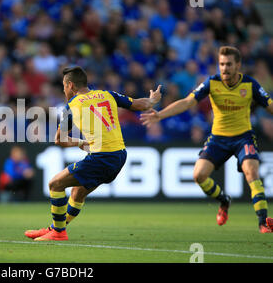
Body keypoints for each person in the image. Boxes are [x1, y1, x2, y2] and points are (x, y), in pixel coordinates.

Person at [141, 46, 273, 233]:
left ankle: (262, 222)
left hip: (243, 137)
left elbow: (269, 106)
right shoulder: (212, 83)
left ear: (238, 65)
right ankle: (224, 200)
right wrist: (160, 115)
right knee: (198, 175)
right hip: (218, 138)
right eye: (221, 64)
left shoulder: (250, 85)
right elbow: (188, 102)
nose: (224, 68)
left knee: (251, 171)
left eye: (228, 64)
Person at [25, 66, 162, 241]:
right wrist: (152, 100)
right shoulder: (108, 94)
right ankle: (55, 228)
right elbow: (141, 104)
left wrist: (81, 143)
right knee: (77, 193)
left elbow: (59, 140)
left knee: (55, 185)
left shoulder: (72, 106)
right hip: (119, 155)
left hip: (101, 158)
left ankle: (58, 233)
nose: (64, 89)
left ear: (71, 85)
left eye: (64, 86)